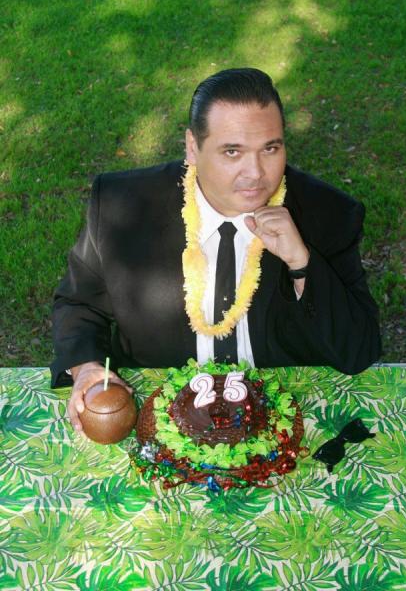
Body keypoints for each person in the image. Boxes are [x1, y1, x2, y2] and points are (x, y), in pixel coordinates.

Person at [51, 68, 381, 437]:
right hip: (157, 418)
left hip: (286, 422)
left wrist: (302, 264)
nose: (255, 173)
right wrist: (86, 367)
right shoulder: (122, 206)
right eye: (232, 151)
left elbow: (359, 351)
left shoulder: (328, 213)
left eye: (270, 149)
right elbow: (79, 303)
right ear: (193, 147)